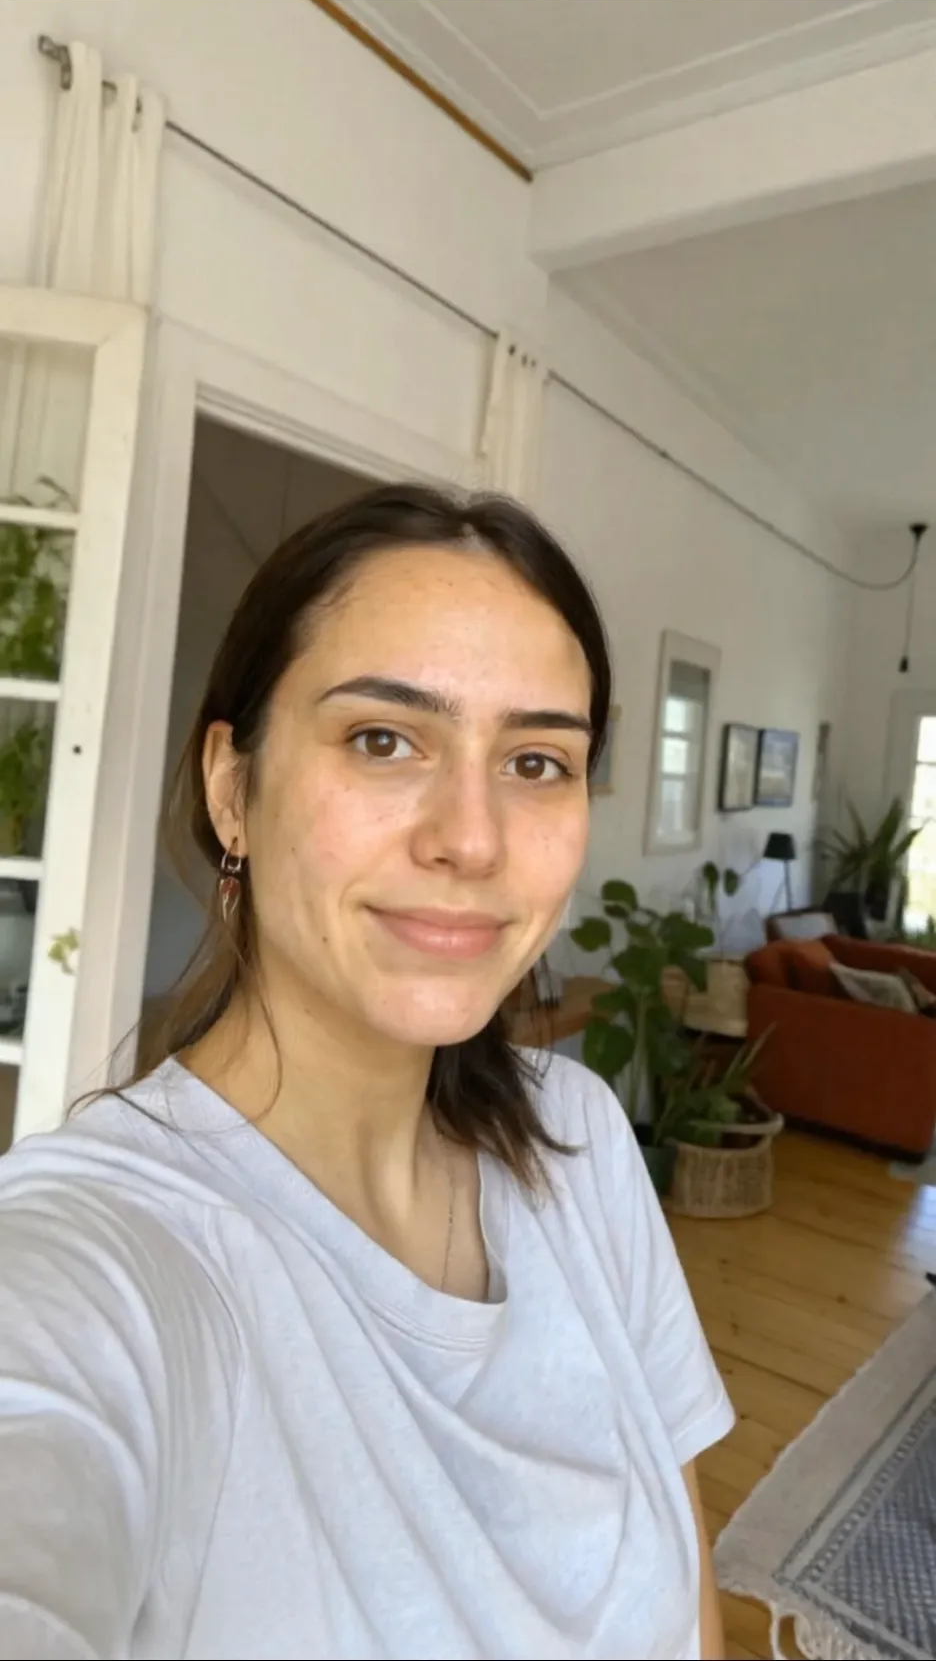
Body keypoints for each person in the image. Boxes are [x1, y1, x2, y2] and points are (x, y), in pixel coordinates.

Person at [0, 485, 733, 1660]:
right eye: (383, 739)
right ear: (231, 789)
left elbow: (689, 1584)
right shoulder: (99, 1263)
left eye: (537, 760)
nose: (472, 837)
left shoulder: (582, 1139)